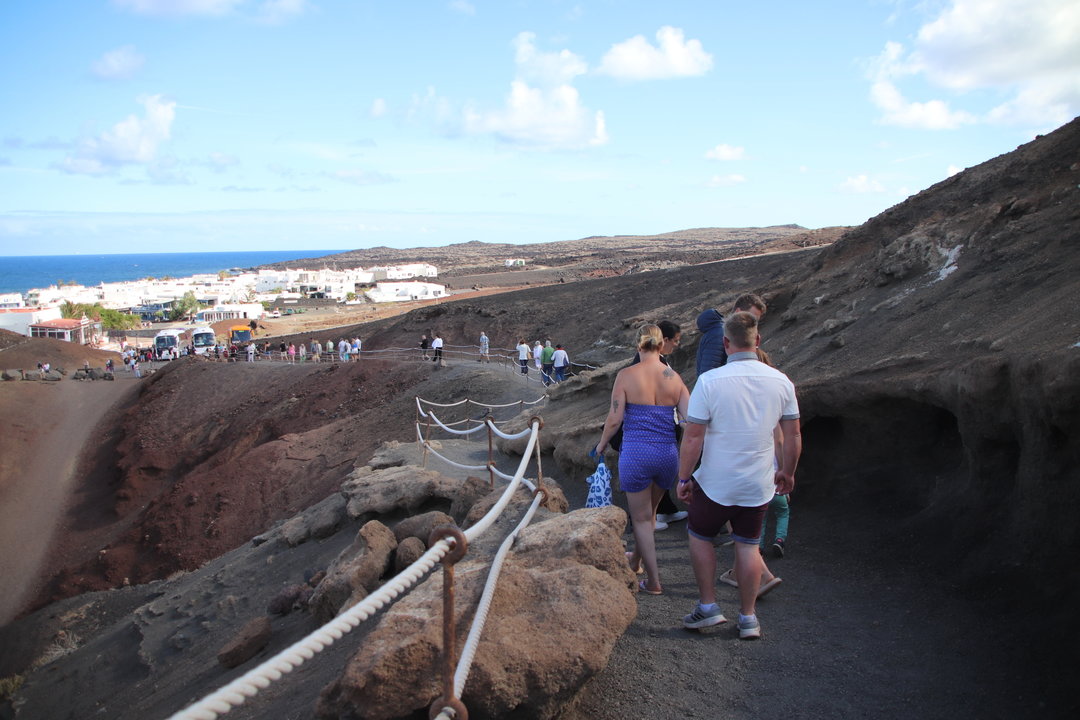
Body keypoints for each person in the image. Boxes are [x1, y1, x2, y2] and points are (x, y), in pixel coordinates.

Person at [676, 311, 801, 640]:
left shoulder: (710, 381)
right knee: (748, 546)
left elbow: (693, 436)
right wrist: (787, 471)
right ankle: (747, 618)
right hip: (757, 484)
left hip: (715, 481)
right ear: (757, 340)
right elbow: (793, 435)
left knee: (700, 536)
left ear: (725, 343)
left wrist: (684, 477)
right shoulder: (781, 382)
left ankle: (708, 607)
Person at [594, 325, 690, 596]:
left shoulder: (626, 375)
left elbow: (614, 419)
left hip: (636, 454)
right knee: (650, 516)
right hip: (667, 455)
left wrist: (601, 444)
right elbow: (689, 419)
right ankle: (635, 561)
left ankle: (655, 582)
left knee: (641, 519)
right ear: (662, 346)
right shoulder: (675, 378)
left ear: (638, 346)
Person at [695, 293, 767, 380]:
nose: (753, 324)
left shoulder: (728, 334)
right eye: (751, 318)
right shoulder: (719, 335)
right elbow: (707, 376)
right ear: (738, 312)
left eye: (756, 321)